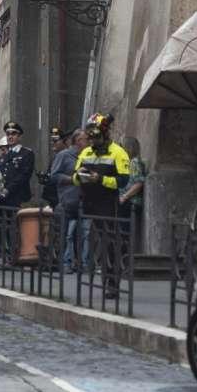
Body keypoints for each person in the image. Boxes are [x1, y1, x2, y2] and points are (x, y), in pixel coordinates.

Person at [73, 115, 132, 281]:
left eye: (96, 137)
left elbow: (123, 181)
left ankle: (112, 280)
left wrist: (100, 179)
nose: (92, 141)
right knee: (91, 240)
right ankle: (93, 274)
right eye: (90, 137)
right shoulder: (85, 152)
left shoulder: (118, 152)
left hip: (108, 204)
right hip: (87, 203)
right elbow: (74, 177)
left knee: (110, 242)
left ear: (105, 134)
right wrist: (79, 176)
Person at [49, 129, 85, 271]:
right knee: (65, 234)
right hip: (67, 200)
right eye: (85, 139)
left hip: (84, 201)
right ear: (77, 141)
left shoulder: (88, 156)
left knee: (82, 234)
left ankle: (81, 262)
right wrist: (71, 179)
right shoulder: (64, 156)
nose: (88, 142)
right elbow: (54, 176)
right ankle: (65, 263)